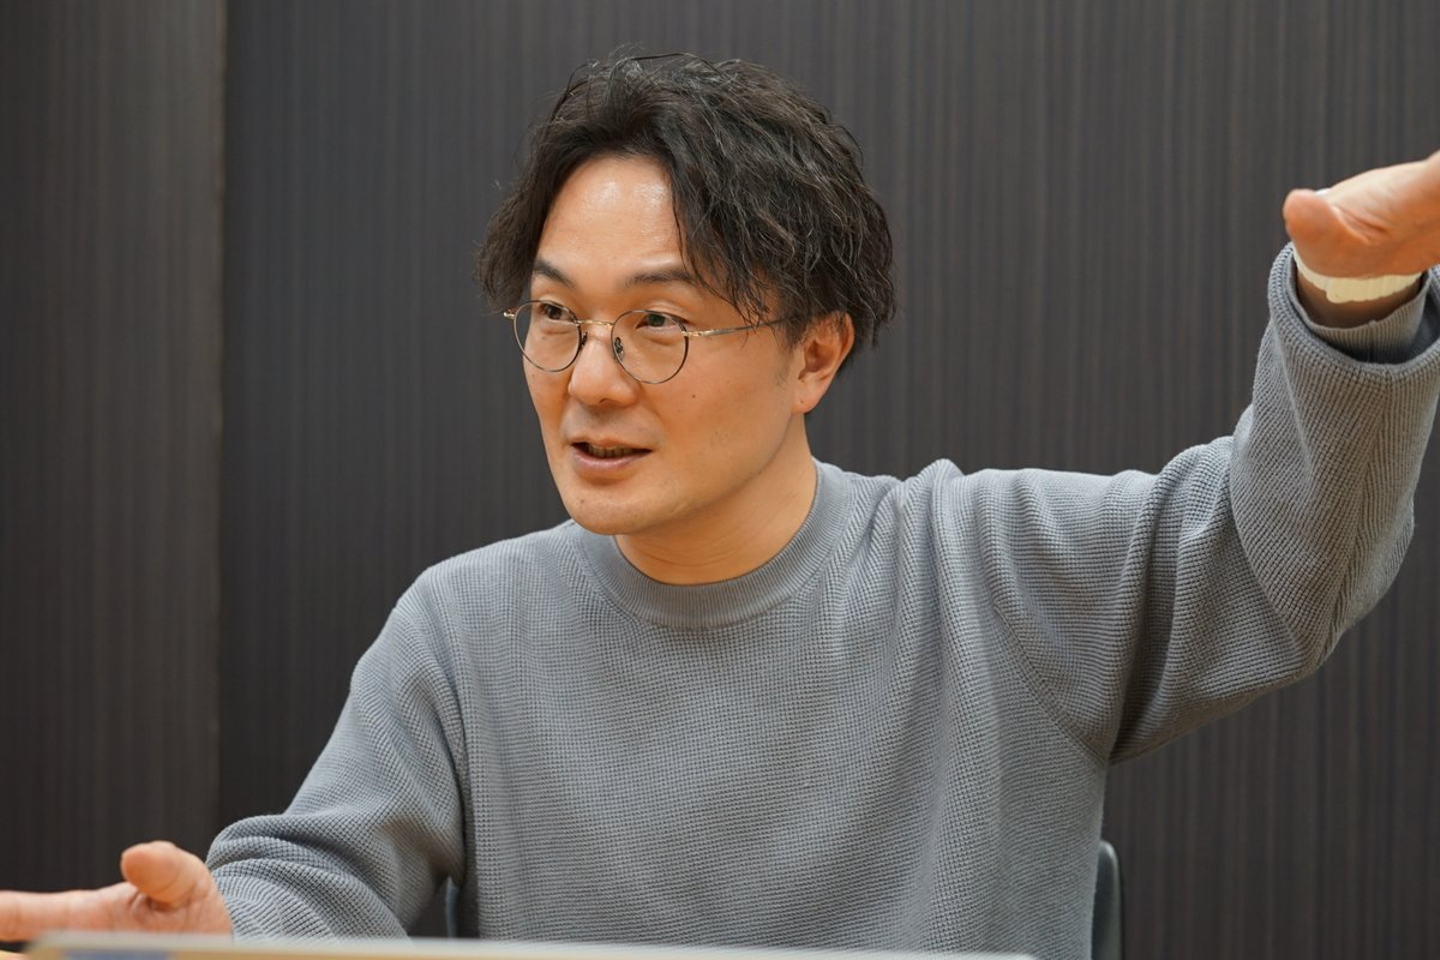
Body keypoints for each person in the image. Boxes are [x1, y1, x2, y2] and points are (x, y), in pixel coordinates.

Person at [3, 53, 1439, 960]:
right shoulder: (463, 631)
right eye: (554, 317)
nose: (590, 381)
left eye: (660, 323)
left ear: (816, 354)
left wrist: (1353, 300)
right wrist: (225, 929)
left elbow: (1282, 561)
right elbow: (320, 887)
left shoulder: (992, 570)